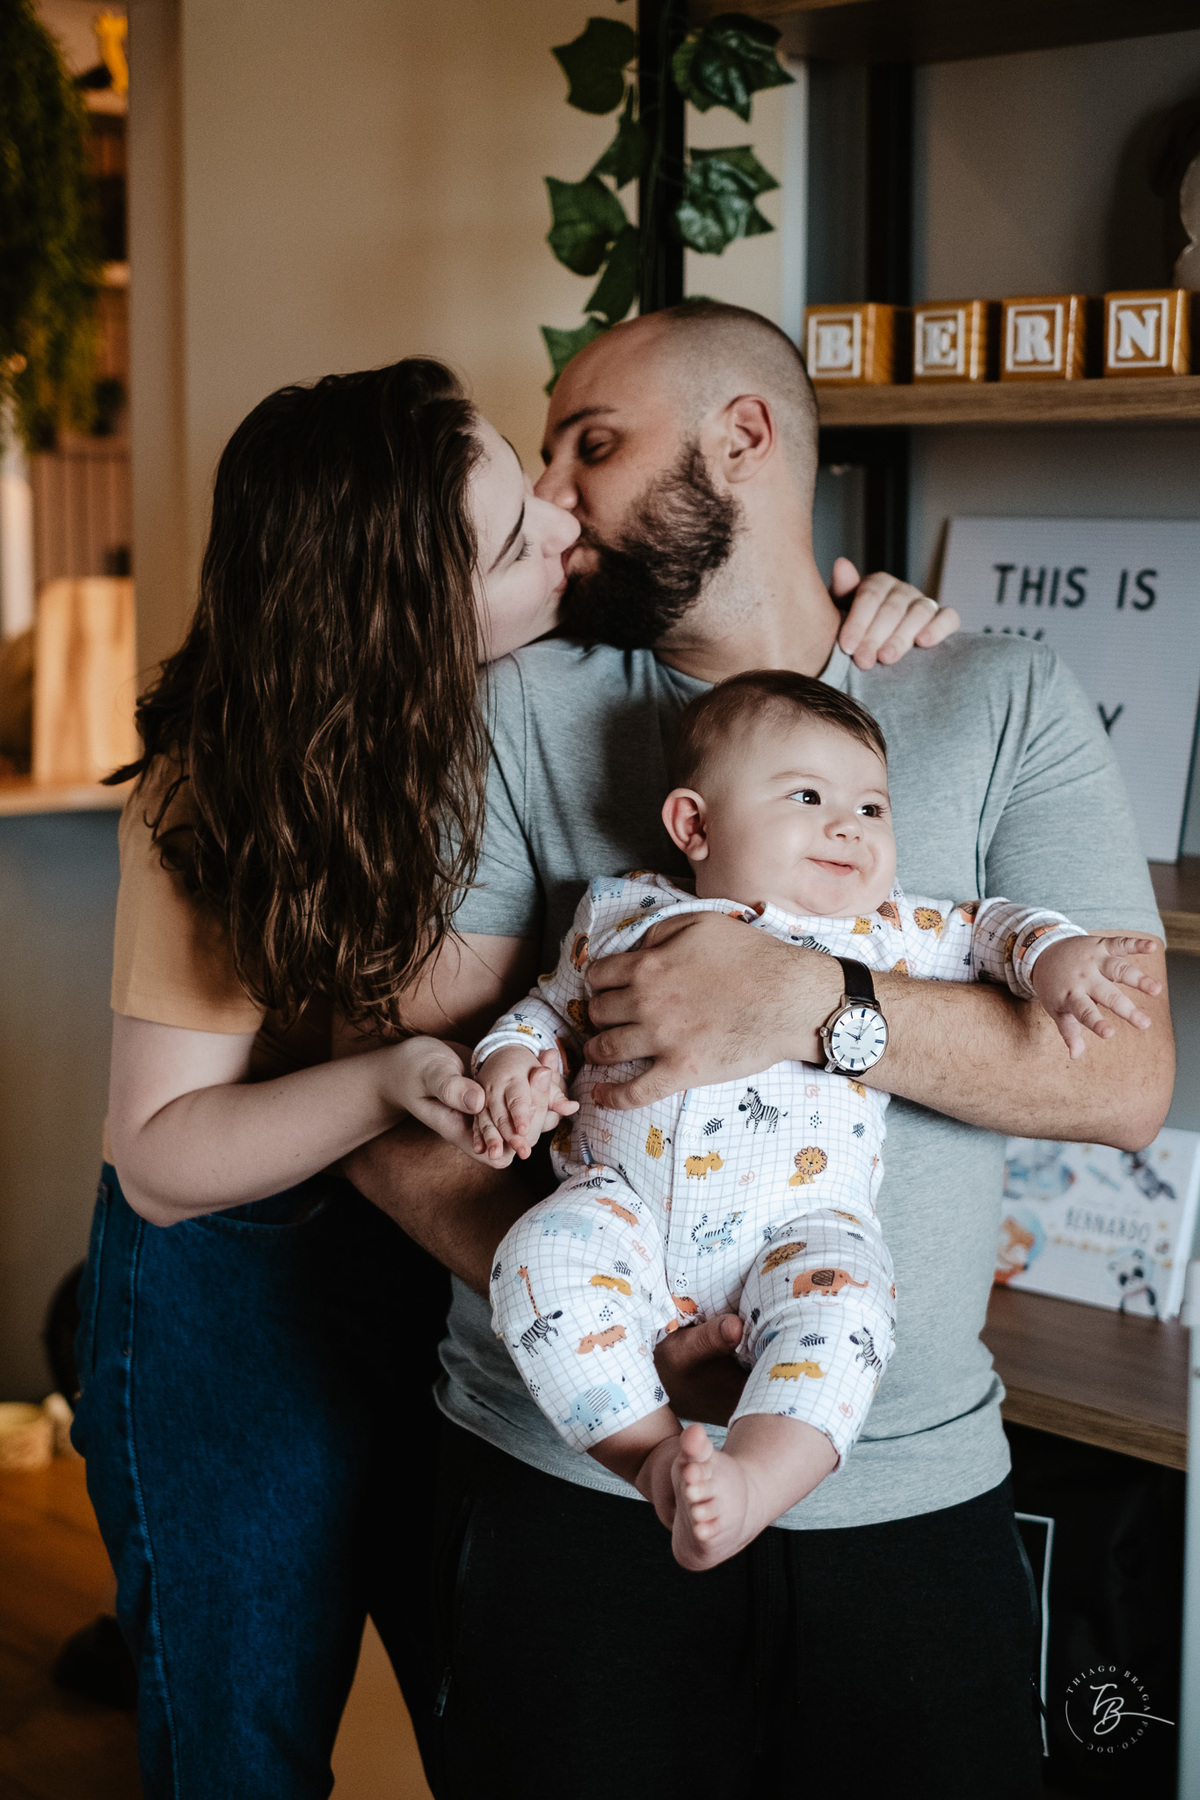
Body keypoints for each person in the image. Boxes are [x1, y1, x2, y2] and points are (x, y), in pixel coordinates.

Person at [71, 351, 941, 1799]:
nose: (557, 515)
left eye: (538, 477)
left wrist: (872, 621)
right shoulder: (215, 789)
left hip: (481, 1273)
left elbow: (749, 637)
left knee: (493, 1729)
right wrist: (387, 1078)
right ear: (409, 610)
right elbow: (159, 1158)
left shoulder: (538, 693)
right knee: (242, 1745)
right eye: (512, 531)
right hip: (235, 1280)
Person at [344, 302, 1174, 1799]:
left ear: (746, 439)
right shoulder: (520, 711)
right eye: (548, 456)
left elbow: (1121, 1079)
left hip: (905, 1483)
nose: (554, 496)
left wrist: (807, 1003)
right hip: (566, 1483)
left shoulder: (1001, 698)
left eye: (594, 445)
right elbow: (385, 1103)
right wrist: (611, 1340)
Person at [470, 671, 1159, 1570]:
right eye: (808, 797)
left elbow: (987, 929)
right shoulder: (622, 912)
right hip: (621, 1210)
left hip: (798, 1231)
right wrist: (512, 1067)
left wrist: (1057, 957)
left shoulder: (882, 931)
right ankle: (651, 1463)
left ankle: (754, 1479)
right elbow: (549, 1011)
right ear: (695, 825)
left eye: (873, 807)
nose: (851, 826)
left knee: (850, 1316)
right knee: (535, 1259)